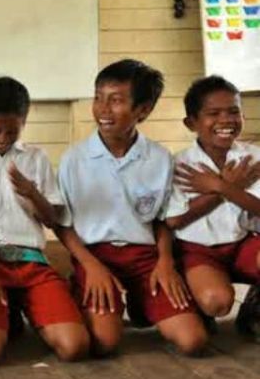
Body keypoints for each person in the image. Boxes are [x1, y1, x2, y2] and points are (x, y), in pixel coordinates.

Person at [55, 59, 207, 356]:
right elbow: (62, 223)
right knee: (105, 341)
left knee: (193, 341)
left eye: (116, 101)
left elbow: (162, 219)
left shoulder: (159, 158)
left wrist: (165, 261)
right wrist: (91, 266)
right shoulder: (75, 159)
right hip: (94, 255)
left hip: (144, 257)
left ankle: (142, 301)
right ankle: (80, 288)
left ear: (143, 110)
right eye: (98, 98)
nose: (102, 109)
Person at [0, 76, 89, 366]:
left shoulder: (35, 157)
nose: (3, 137)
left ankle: (20, 304)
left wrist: (32, 193)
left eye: (13, 130)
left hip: (32, 264)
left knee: (75, 347)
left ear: (25, 118)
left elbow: (51, 220)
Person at [164, 75, 260, 340]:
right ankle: (196, 302)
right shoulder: (180, 164)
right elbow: (175, 220)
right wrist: (227, 187)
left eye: (233, 112)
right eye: (213, 113)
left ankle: (253, 307)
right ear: (191, 122)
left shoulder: (252, 158)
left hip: (243, 244)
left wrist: (221, 186)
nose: (226, 120)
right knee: (216, 302)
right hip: (199, 252)